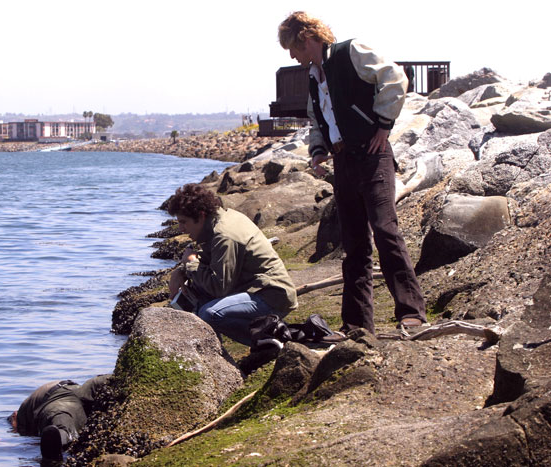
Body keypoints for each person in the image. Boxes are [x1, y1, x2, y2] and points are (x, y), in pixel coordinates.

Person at [278, 12, 427, 334]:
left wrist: (383, 126)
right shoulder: (314, 77)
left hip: (373, 154)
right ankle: (357, 324)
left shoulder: (351, 51)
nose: (292, 56)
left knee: (386, 232)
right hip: (343, 161)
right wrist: (318, 151)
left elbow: (395, 79)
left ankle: (411, 311)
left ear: (305, 37)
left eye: (292, 48)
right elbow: (318, 120)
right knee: (354, 245)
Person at [167, 183, 298, 346]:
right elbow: (211, 261)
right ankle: (211, 350)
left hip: (271, 296)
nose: (181, 228)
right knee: (195, 295)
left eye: (183, 222)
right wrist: (181, 271)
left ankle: (269, 339)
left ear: (200, 216)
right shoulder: (220, 219)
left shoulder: (224, 236)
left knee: (209, 313)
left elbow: (219, 287)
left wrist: (191, 263)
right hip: (255, 288)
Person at [9, 374, 111, 461]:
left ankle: (58, 442)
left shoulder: (23, 419)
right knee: (107, 381)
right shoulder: (27, 412)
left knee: (64, 427)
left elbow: (15, 419)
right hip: (74, 388)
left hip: (61, 397)